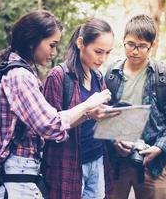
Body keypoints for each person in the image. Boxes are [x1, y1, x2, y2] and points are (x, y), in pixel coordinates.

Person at [0, 10, 112, 199]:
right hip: (15, 172)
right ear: (32, 41)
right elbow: (50, 125)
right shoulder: (19, 76)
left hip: (20, 172)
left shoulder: (19, 70)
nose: (54, 52)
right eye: (51, 45)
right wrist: (87, 106)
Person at [105, 14, 166, 199]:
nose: (135, 51)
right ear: (123, 41)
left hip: (153, 165)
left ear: (152, 45)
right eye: (130, 44)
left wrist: (159, 148)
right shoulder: (111, 75)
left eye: (142, 46)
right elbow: (104, 116)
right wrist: (115, 141)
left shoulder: (164, 77)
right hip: (117, 164)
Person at [43, 18, 117, 199]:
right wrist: (86, 112)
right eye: (98, 51)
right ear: (80, 43)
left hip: (97, 159)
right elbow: (49, 130)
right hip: (68, 164)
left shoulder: (98, 77)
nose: (103, 59)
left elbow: (97, 119)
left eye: (108, 53)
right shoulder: (59, 77)